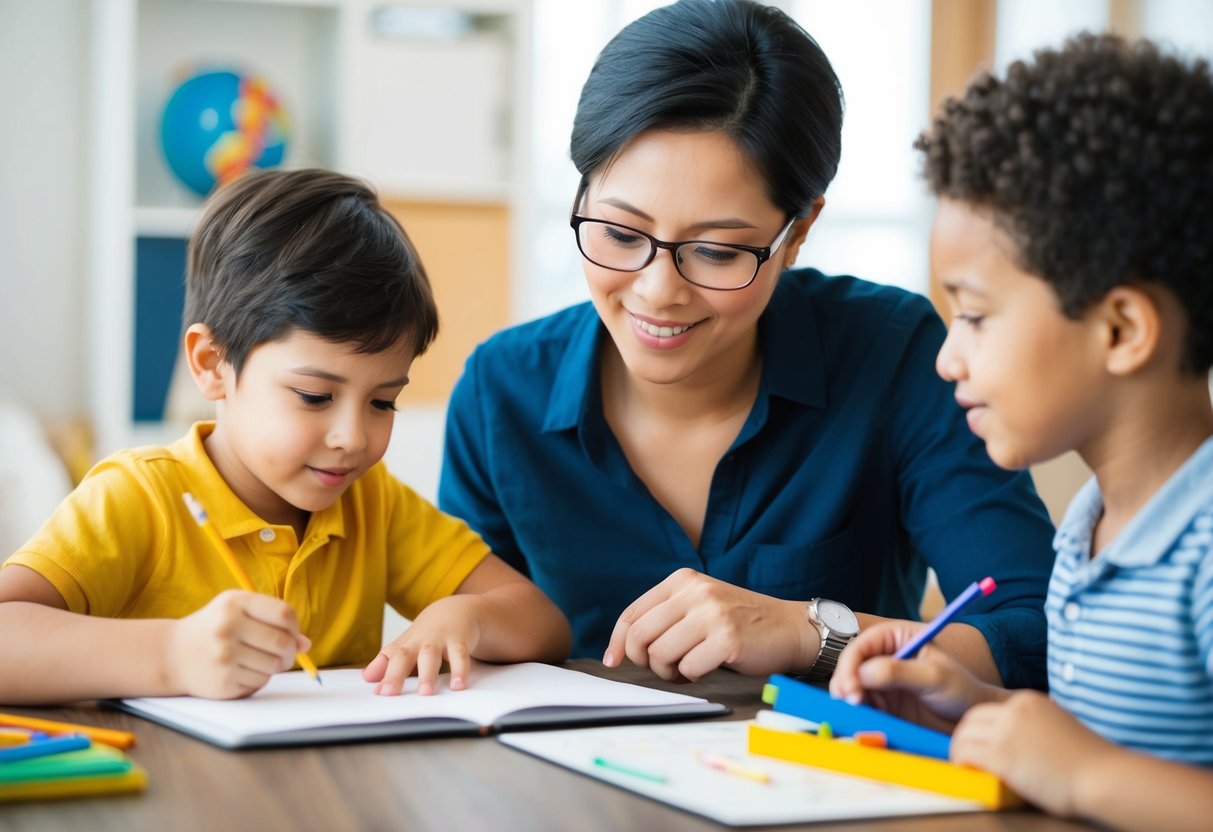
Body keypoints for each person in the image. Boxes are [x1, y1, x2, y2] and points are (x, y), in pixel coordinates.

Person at [439, 0, 1055, 691]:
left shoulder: (892, 355)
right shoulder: (501, 392)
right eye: (618, 233)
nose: (656, 290)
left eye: (715, 251)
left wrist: (804, 632)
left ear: (796, 233)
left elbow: (1036, 632)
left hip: (834, 783)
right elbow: (478, 650)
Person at [0, 168, 571, 705]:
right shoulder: (137, 498)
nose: (352, 437)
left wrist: (466, 618)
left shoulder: (375, 503)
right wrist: (172, 655)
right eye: (315, 397)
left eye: (383, 402)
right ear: (212, 364)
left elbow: (543, 622)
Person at [830, 33, 1213, 830]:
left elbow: (1100, 770)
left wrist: (1085, 774)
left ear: (1119, 331)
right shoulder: (1091, 529)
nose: (944, 358)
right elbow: (1109, 744)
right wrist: (974, 711)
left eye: (972, 315)